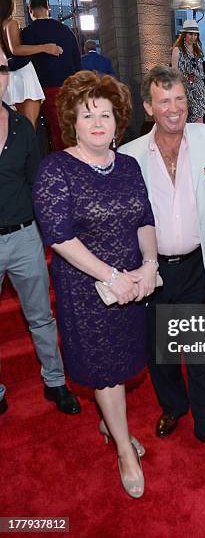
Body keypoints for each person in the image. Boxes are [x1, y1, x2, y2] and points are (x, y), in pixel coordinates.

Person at [32, 70, 157, 498]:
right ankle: (125, 449)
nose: (98, 122)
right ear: (73, 121)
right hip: (87, 290)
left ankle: (110, 420)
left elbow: (144, 218)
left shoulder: (129, 165)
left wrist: (149, 263)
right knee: (104, 372)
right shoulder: (56, 169)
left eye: (105, 113)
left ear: (118, 119)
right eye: (88, 115)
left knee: (123, 365)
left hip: (132, 287)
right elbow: (59, 236)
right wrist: (113, 277)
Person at [119, 65, 205, 464]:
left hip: (196, 266)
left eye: (180, 99)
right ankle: (173, 406)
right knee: (159, 352)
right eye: (164, 101)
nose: (174, 108)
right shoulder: (129, 157)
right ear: (149, 106)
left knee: (200, 352)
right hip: (150, 270)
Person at [0, 48, 79, 417]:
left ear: (8, 76)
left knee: (41, 316)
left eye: (1, 69)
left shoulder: (21, 127)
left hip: (24, 237)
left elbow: (35, 184)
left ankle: (55, 382)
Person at [22, 0, 81, 151]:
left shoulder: (28, 32)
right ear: (48, 8)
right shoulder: (66, 30)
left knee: (54, 132)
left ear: (30, 10)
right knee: (69, 129)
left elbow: (21, 61)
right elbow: (78, 62)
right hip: (69, 88)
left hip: (44, 88)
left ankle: (63, 168)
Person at [0, 0, 62, 128]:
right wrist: (45, 47)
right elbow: (15, 49)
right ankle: (29, 150)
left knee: (18, 125)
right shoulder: (11, 23)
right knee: (29, 126)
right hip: (24, 75)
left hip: (11, 74)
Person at [171, 19, 205, 123]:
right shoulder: (177, 50)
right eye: (190, 34)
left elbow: (201, 70)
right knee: (188, 120)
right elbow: (174, 72)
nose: (193, 37)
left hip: (199, 89)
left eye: (195, 35)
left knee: (199, 119)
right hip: (185, 89)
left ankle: (198, 139)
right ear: (184, 35)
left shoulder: (198, 50)